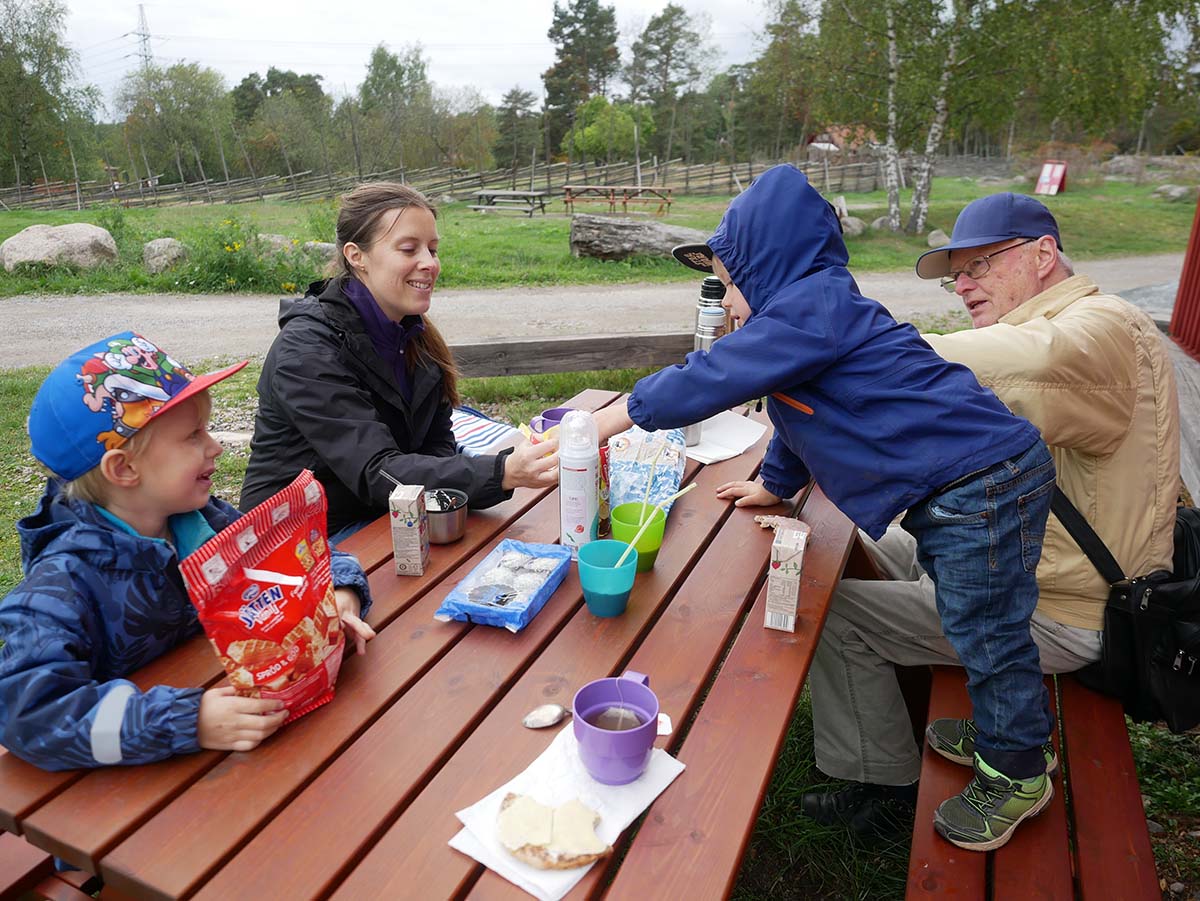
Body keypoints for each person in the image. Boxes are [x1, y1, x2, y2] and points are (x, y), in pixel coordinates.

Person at [593, 165, 1058, 851]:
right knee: (976, 619)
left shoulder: (811, 308)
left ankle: (1018, 767)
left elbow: (713, 376)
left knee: (987, 631)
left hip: (981, 484)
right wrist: (776, 486)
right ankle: (1004, 726)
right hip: (970, 480)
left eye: (730, 282)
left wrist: (617, 415)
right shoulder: (811, 317)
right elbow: (799, 416)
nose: (725, 304)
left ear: (769, 263)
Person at [802, 192, 1180, 845]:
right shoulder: (1066, 325)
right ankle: (983, 720)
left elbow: (1031, 362)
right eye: (958, 273)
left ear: (1043, 254)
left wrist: (856, 358)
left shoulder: (1098, 331)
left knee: (835, 613)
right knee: (852, 535)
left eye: (981, 263)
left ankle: (889, 786)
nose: (965, 284)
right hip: (1019, 556)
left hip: (1065, 609)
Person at [0, 332, 375, 772]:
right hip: (126, 803)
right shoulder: (64, 582)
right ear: (124, 468)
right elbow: (28, 712)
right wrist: (188, 720)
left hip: (245, 750)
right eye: (194, 435)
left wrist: (337, 601)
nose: (215, 447)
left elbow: (313, 555)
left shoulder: (204, 522)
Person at [239, 182, 559, 540]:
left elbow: (437, 445)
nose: (430, 263)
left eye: (433, 249)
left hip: (384, 509)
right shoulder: (306, 350)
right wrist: (503, 471)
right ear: (356, 256)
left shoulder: (414, 336)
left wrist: (467, 484)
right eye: (409, 248)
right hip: (300, 536)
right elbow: (376, 470)